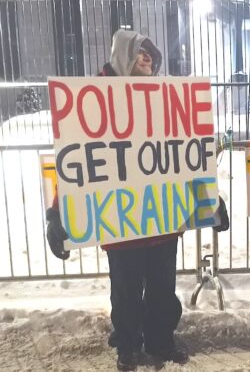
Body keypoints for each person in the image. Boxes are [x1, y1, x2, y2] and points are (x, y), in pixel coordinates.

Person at [45, 29, 230, 371]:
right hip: (122, 224)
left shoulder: (162, 98)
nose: (147, 60)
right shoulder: (95, 98)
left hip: (161, 222)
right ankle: (128, 344)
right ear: (122, 55)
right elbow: (81, 160)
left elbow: (184, 155)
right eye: (140, 53)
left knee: (163, 287)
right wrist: (57, 212)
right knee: (126, 291)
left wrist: (211, 200)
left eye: (151, 55)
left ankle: (161, 340)